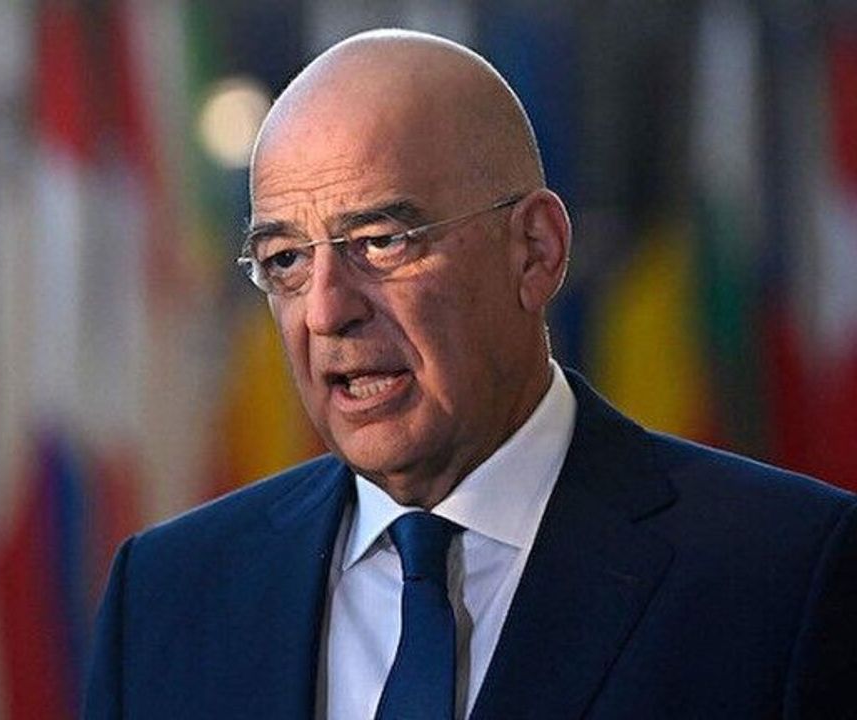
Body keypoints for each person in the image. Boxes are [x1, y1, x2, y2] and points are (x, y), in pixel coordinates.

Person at [83, 29, 857, 720]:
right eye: (285, 259)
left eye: (381, 240)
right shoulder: (166, 595)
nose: (326, 311)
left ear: (536, 251)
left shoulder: (786, 574)